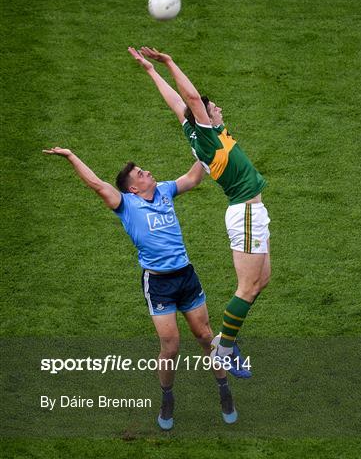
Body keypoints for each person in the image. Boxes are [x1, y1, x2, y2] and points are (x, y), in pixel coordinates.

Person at [42, 147, 238, 429]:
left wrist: (207, 144)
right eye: (140, 173)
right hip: (159, 284)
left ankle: (224, 390)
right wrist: (72, 156)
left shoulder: (166, 190)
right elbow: (96, 184)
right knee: (170, 347)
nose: (147, 172)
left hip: (186, 276)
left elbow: (194, 177)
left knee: (206, 336)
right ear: (133, 188)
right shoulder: (126, 204)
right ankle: (167, 398)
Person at [128, 46, 271, 371]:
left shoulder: (195, 130)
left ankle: (226, 342)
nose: (218, 108)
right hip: (245, 213)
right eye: (212, 107)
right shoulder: (207, 137)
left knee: (262, 280)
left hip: (253, 214)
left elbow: (178, 104)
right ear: (204, 116)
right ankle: (224, 348)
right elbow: (191, 100)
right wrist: (169, 61)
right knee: (247, 287)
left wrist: (152, 72)